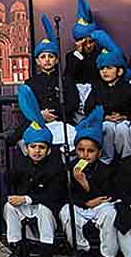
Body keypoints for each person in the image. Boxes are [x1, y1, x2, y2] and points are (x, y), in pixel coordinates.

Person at [4, 85, 65, 257]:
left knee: (45, 211)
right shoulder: (21, 161)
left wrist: (26, 198)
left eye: (41, 147)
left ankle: (47, 247)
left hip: (43, 204)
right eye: (33, 147)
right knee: (9, 207)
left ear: (48, 150)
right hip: (25, 205)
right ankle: (17, 245)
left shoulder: (55, 166)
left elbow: (53, 194)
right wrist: (11, 175)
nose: (37, 151)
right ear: (27, 148)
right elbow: (11, 180)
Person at [59, 106, 119, 257]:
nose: (85, 155)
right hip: (80, 206)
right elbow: (64, 194)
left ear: (98, 153)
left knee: (111, 212)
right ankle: (81, 249)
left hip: (100, 207)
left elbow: (109, 195)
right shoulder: (70, 167)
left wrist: (87, 185)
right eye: (81, 150)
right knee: (67, 212)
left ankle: (108, 253)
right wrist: (84, 202)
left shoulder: (106, 169)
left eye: (90, 151)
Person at [18, 15, 77, 147]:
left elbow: (73, 103)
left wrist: (53, 113)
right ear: (38, 61)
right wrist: (41, 115)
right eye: (43, 57)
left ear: (56, 60)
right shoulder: (30, 83)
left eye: (51, 56)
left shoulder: (65, 80)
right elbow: (26, 107)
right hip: (38, 124)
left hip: (63, 122)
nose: (47, 60)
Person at [91, 30, 131, 164]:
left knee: (122, 129)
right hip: (105, 120)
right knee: (107, 127)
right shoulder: (97, 87)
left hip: (124, 120)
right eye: (102, 69)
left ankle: (126, 159)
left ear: (119, 71)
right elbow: (88, 108)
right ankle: (106, 160)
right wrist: (104, 116)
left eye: (109, 68)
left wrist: (125, 116)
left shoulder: (127, 87)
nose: (105, 71)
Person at [66, 0, 102, 121]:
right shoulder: (72, 56)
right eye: (83, 42)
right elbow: (69, 75)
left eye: (90, 42)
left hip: (95, 95)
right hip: (76, 97)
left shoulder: (100, 55)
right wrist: (79, 53)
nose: (87, 45)